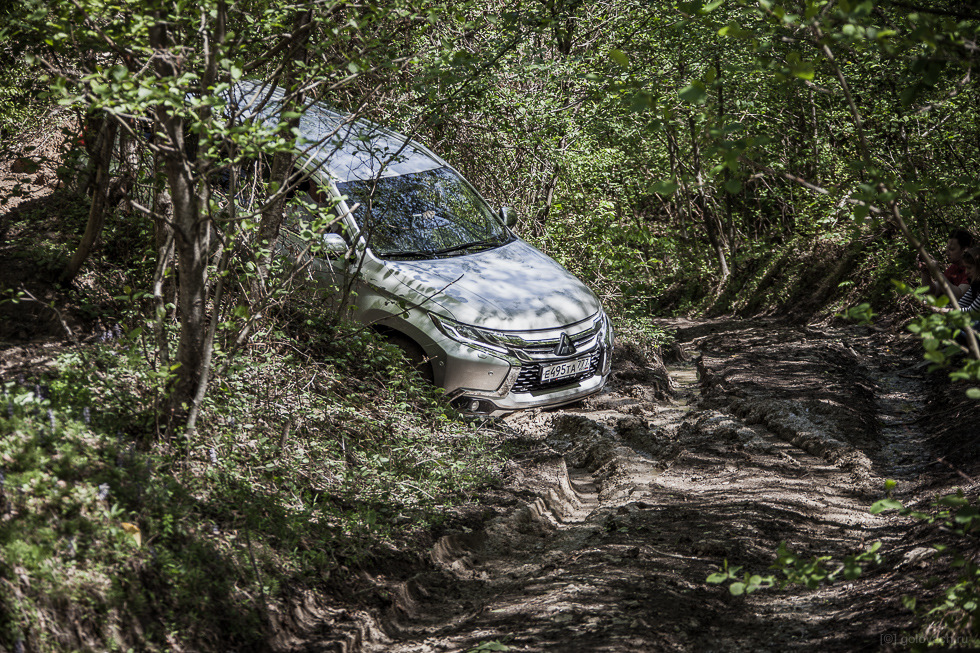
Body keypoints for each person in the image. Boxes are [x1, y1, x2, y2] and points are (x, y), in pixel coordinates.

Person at [919, 229, 974, 299]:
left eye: (952, 249)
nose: (947, 253)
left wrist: (937, 272)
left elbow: (960, 295)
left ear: (965, 250)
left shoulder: (972, 269)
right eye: (947, 249)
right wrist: (925, 271)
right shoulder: (953, 268)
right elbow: (932, 291)